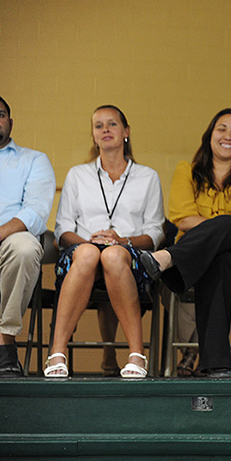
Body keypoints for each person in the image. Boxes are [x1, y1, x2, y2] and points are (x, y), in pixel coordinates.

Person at [140, 108, 231, 378]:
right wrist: (227, 225)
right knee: (219, 256)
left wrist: (221, 223)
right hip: (209, 262)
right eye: (222, 129)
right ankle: (217, 365)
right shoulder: (186, 171)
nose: (229, 136)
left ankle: (168, 258)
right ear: (210, 136)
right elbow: (182, 218)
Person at [46, 106, 164, 378]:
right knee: (89, 254)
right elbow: (63, 230)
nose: (106, 130)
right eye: (99, 126)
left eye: (112, 124)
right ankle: (57, 353)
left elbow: (155, 233)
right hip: (81, 255)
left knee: (113, 255)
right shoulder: (78, 175)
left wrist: (123, 240)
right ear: (93, 136)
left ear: (126, 132)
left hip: (128, 255)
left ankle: (136, 355)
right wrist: (89, 241)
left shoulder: (148, 177)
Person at [0, 94, 56, 377]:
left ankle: (5, 342)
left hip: (8, 241)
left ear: (10, 122)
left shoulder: (33, 160)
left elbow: (36, 211)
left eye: (0, 114)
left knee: (25, 248)